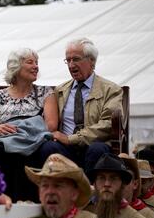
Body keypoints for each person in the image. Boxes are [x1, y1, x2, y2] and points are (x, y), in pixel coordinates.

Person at [36, 38, 123, 172]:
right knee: (48, 147)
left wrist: (72, 139)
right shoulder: (60, 90)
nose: (71, 65)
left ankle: (90, 192)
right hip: (65, 148)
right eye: (68, 60)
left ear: (92, 61)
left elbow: (107, 124)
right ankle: (58, 190)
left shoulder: (111, 90)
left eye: (76, 59)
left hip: (92, 145)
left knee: (97, 149)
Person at [0, 48, 58, 203]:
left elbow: (51, 126)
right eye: (30, 62)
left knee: (40, 148)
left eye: (37, 62)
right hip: (6, 138)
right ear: (16, 67)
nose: (36, 66)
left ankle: (30, 202)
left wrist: (23, 132)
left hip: (34, 138)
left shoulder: (46, 93)